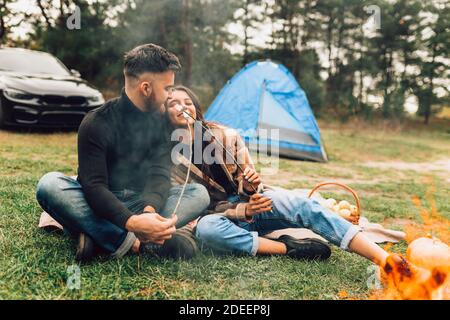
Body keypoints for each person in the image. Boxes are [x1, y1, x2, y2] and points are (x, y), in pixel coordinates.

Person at [165, 86, 392, 267]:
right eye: (173, 103)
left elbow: (249, 184)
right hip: (219, 221)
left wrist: (249, 187)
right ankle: (288, 247)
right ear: (162, 113)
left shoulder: (224, 135)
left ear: (195, 108)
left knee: (302, 204)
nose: (183, 107)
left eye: (188, 102)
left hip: (252, 208)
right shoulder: (165, 158)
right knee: (208, 230)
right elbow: (191, 211)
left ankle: (384, 259)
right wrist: (241, 212)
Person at [36, 44, 210, 263]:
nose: (169, 96)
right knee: (49, 185)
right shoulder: (97, 121)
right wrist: (133, 224)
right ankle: (136, 242)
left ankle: (99, 237)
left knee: (198, 194)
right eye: (167, 89)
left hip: (142, 202)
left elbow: (159, 175)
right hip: (100, 204)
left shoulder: (162, 124)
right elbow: (94, 187)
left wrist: (148, 213)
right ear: (146, 88)